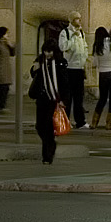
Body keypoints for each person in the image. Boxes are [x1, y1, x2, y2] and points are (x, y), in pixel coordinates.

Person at [30, 28, 66, 166]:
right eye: (45, 51)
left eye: (50, 51)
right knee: (40, 127)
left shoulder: (60, 63)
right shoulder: (40, 61)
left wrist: (63, 99)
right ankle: (50, 144)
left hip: (54, 99)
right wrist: (34, 69)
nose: (47, 54)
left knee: (49, 127)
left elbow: (64, 83)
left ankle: (47, 155)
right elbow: (34, 75)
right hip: (41, 98)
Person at [60, 16, 90, 127]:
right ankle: (66, 121)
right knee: (68, 97)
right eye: (77, 19)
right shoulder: (65, 33)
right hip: (69, 68)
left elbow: (85, 46)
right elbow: (63, 46)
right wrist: (73, 38)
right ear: (72, 20)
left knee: (79, 97)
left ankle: (80, 121)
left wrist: (85, 56)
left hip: (79, 68)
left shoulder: (81, 33)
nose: (79, 21)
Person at [0, 26, 19, 115]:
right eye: (7, 34)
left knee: (5, 88)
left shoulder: (4, 44)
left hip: (5, 69)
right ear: (3, 34)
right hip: (0, 69)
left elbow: (12, 54)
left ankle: (0, 106)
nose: (8, 35)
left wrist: (11, 45)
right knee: (2, 88)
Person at [92, 26, 111, 126]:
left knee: (102, 98)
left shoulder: (97, 46)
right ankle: (109, 123)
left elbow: (95, 63)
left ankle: (94, 122)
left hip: (102, 73)